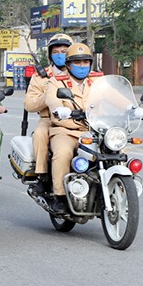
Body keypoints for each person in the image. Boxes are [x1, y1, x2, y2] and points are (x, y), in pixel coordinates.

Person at [45, 43, 102, 214]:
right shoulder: (57, 81)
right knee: (62, 153)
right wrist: (60, 109)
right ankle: (60, 197)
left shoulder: (98, 81)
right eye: (77, 62)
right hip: (66, 130)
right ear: (69, 65)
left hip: (95, 131)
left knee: (118, 149)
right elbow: (52, 100)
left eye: (86, 62)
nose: (82, 66)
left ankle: (121, 185)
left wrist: (131, 107)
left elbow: (114, 96)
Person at [24, 33, 73, 195]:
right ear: (50, 55)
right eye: (56, 52)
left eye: (64, 51)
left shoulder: (79, 72)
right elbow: (29, 104)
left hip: (79, 119)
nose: (60, 55)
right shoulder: (41, 76)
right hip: (49, 119)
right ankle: (42, 175)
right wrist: (48, 95)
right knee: (40, 133)